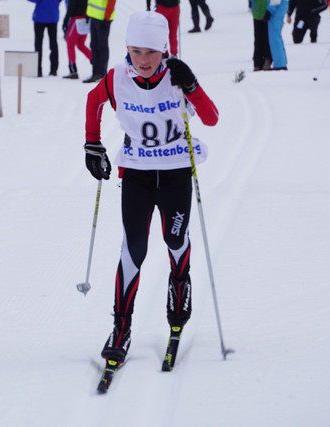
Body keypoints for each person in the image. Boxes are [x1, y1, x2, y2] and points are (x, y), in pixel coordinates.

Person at [83, 11, 219, 369]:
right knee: (134, 249)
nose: (142, 60)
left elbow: (211, 117)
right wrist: (92, 144)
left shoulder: (177, 77)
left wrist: (191, 87)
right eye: (134, 51)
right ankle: (121, 328)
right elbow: (93, 100)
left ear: (164, 50)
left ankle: (180, 284)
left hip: (175, 175)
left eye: (150, 52)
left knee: (175, 241)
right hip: (138, 177)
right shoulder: (117, 79)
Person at [83, 0, 116, 83]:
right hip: (94, 16)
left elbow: (111, 1)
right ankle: (95, 72)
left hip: (103, 18)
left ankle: (102, 72)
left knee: (102, 46)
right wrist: (87, 12)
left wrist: (107, 17)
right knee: (94, 45)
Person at [29, 0, 61, 77]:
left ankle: (38, 70)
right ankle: (54, 69)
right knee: (53, 43)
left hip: (40, 16)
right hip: (53, 16)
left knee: (38, 44)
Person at [62, 0, 91, 79]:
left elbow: (71, 7)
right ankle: (96, 62)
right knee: (80, 44)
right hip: (85, 19)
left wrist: (66, 20)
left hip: (77, 19)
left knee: (70, 44)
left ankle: (73, 69)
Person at [267, 0, 289, 70]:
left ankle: (280, 64)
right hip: (280, 8)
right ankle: (281, 62)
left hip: (276, 9)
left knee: (274, 38)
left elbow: (275, 1)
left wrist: (270, 10)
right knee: (277, 37)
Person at [252, 0, 273, 70]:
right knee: (258, 39)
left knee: (267, 39)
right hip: (257, 14)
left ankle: (267, 60)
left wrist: (270, 11)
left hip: (268, 14)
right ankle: (257, 63)